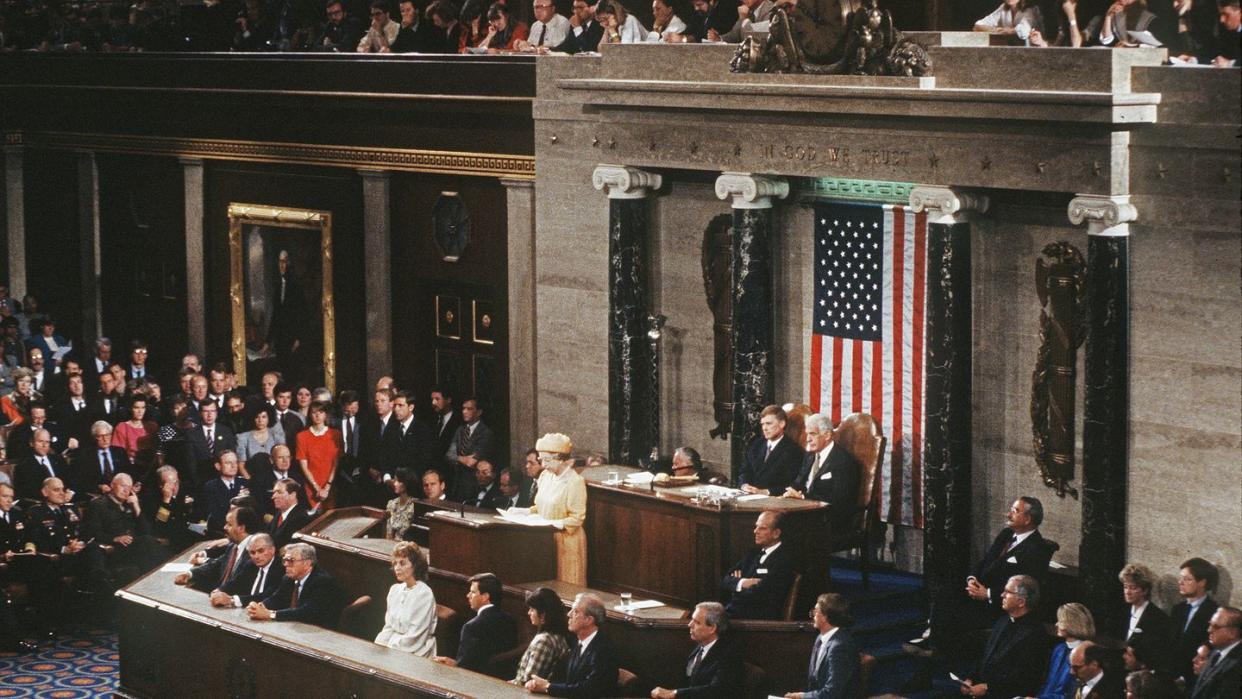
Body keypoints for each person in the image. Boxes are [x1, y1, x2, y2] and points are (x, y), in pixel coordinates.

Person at [908, 496, 1054, 661]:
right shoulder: (1007, 534)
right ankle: (934, 642)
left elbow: (1027, 588)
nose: (1008, 514)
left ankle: (937, 653)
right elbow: (986, 561)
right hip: (979, 590)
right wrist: (972, 579)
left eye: (1015, 511)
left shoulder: (1037, 549)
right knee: (946, 593)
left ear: (1027, 519)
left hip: (999, 602)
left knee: (956, 614)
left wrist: (988, 594)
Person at [958, 575, 1049, 699]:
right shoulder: (1003, 620)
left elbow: (1025, 680)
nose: (1002, 595)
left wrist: (988, 688)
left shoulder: (1035, 634)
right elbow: (986, 656)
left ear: (1021, 602)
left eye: (1008, 592)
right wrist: (970, 679)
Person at [82, 472, 165, 590]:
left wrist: (136, 506)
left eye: (129, 487)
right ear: (112, 485)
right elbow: (91, 532)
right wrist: (114, 539)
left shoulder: (130, 504)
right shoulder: (98, 504)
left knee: (148, 541)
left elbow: (147, 530)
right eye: (123, 486)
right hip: (113, 549)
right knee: (147, 543)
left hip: (133, 547)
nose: (126, 490)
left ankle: (158, 582)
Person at [526, 592, 619, 697]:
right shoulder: (577, 642)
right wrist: (539, 684)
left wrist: (548, 687)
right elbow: (567, 681)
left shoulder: (603, 649)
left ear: (588, 620)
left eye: (575, 612)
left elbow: (589, 689)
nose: (568, 614)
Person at [782, 413, 862, 532]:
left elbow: (839, 500)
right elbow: (798, 482)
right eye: (807, 434)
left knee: (782, 527)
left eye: (813, 434)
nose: (808, 439)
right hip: (805, 512)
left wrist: (804, 497)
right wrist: (788, 493)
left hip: (830, 519)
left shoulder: (843, 461)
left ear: (827, 435)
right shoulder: (809, 456)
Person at [651, 601, 743, 699]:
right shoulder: (699, 647)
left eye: (697, 622)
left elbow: (716, 690)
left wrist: (675, 693)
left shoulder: (729, 655)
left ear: (712, 628)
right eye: (692, 620)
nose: (690, 624)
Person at [530, 432, 588, 585]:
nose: (543, 465)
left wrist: (553, 524)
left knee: (566, 583)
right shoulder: (545, 477)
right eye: (541, 460)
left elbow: (577, 518)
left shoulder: (575, 482)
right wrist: (523, 512)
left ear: (561, 459)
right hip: (544, 537)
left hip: (567, 540)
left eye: (547, 460)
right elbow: (540, 507)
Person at [434, 572, 519, 673]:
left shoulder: (472, 627)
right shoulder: (510, 620)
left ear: (485, 597)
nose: (468, 595)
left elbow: (464, 668)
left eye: (473, 592)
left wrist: (452, 663)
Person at [247, 542, 346, 628]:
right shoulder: (288, 578)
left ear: (307, 563)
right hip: (295, 627)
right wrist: (260, 606)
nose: (285, 564)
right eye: (284, 560)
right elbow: (277, 598)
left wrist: (270, 614)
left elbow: (306, 612)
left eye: (290, 560)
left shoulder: (323, 582)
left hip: (320, 633)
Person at [779, 593, 859, 699]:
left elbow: (833, 692)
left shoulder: (839, 647)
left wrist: (802, 696)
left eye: (815, 612)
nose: (812, 615)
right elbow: (813, 681)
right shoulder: (820, 638)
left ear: (825, 617)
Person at [719, 510, 794, 620]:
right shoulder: (753, 553)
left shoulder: (783, 560)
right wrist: (744, 582)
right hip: (734, 611)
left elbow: (759, 594)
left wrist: (735, 587)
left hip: (757, 618)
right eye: (756, 527)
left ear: (776, 533)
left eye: (762, 528)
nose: (755, 531)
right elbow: (725, 580)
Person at [174, 506, 262, 591]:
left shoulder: (256, 553)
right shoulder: (234, 546)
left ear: (241, 528)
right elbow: (217, 565)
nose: (225, 527)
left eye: (229, 524)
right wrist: (190, 574)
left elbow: (240, 585)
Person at [374, 541, 437, 656]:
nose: (397, 568)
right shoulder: (394, 590)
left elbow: (415, 636)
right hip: (393, 646)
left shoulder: (424, 594)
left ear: (415, 565)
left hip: (416, 650)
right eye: (395, 564)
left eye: (402, 563)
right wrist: (378, 646)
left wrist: (390, 649)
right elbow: (388, 627)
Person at [1171, 557, 1220, 687]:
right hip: (1171, 677)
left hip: (1194, 681)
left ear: (1202, 582)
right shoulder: (1177, 610)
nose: (1180, 583)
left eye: (1187, 579)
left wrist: (1185, 678)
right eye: (1180, 578)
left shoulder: (1214, 613)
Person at [1034, 602, 1096, 699]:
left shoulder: (1083, 654)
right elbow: (1048, 684)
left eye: (1061, 621)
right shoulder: (1059, 648)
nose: (1056, 624)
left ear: (1072, 624)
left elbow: (1072, 694)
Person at [513, 586, 572, 686]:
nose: (529, 613)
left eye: (532, 609)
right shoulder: (559, 636)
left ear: (543, 615)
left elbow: (528, 681)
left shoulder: (544, 641)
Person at [738, 404, 803, 496]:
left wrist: (765, 492)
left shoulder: (793, 450)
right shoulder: (757, 444)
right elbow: (744, 471)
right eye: (762, 424)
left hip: (774, 500)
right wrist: (744, 485)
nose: (764, 428)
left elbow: (791, 484)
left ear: (782, 424)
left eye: (768, 423)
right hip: (748, 496)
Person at [211, 532, 281, 608]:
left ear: (272, 550)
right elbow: (235, 583)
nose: (256, 556)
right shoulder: (251, 565)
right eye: (252, 552)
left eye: (261, 551)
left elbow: (266, 596)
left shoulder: (281, 568)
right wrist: (218, 591)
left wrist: (232, 600)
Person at [296, 401, 341, 513]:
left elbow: (336, 463)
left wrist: (327, 487)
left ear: (326, 414)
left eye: (321, 412)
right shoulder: (302, 436)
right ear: (310, 415)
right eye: (314, 412)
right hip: (311, 486)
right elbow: (304, 466)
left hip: (331, 485)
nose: (317, 415)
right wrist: (317, 488)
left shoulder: (336, 434)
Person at [1117, 563, 1172, 654]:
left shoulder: (1158, 618)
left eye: (1133, 587)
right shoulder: (1123, 612)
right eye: (1125, 587)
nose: (1127, 592)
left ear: (1145, 590)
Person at [1190, 606, 1241, 699]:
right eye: (1210, 624)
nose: (1209, 630)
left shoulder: (1237, 665)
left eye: (1216, 627)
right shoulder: (1215, 652)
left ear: (1233, 633)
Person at [447, 396, 494, 498]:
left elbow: (472, 462)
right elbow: (449, 454)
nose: (464, 412)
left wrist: (457, 457)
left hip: (473, 485)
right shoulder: (460, 430)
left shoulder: (485, 433)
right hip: (457, 483)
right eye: (463, 408)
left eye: (469, 409)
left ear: (479, 412)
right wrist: (462, 458)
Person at [185, 401, 238, 489]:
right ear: (200, 413)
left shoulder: (226, 431)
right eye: (206, 411)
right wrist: (198, 484)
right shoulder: (191, 434)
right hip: (202, 482)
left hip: (225, 480)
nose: (209, 415)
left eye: (212, 411)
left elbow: (232, 456)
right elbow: (191, 463)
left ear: (217, 413)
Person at [14, 428, 72, 501]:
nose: (44, 445)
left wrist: (70, 492)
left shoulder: (58, 459)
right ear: (31, 443)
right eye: (40, 441)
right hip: (43, 503)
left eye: (47, 442)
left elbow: (70, 481)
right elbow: (27, 492)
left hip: (65, 500)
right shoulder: (23, 466)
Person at [200, 450, 249, 533]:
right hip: (223, 530)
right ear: (218, 466)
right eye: (228, 463)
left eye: (235, 462)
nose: (233, 466)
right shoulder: (210, 487)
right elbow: (214, 517)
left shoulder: (245, 483)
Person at [236, 404, 286, 475]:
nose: (260, 420)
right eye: (257, 417)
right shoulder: (243, 438)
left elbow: (282, 461)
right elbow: (241, 466)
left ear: (269, 418)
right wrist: (250, 481)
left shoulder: (277, 437)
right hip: (252, 478)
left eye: (264, 417)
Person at [113, 394, 158, 471]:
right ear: (131, 408)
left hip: (151, 466)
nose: (140, 411)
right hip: (130, 467)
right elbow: (118, 453)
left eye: (143, 407)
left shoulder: (152, 426)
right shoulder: (122, 427)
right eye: (136, 407)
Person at [1084, 0, 1157, 46]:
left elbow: (1150, 43)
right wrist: (1108, 17)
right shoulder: (1114, 16)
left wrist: (1129, 45)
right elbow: (1106, 40)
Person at [269, 479, 312, 550]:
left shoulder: (301, 518)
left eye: (279, 492)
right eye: (274, 492)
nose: (273, 497)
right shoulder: (278, 514)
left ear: (292, 495)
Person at [385, 468, 420, 540]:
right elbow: (388, 531)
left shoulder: (414, 505)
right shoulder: (391, 503)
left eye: (398, 481)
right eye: (395, 480)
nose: (395, 484)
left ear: (406, 483)